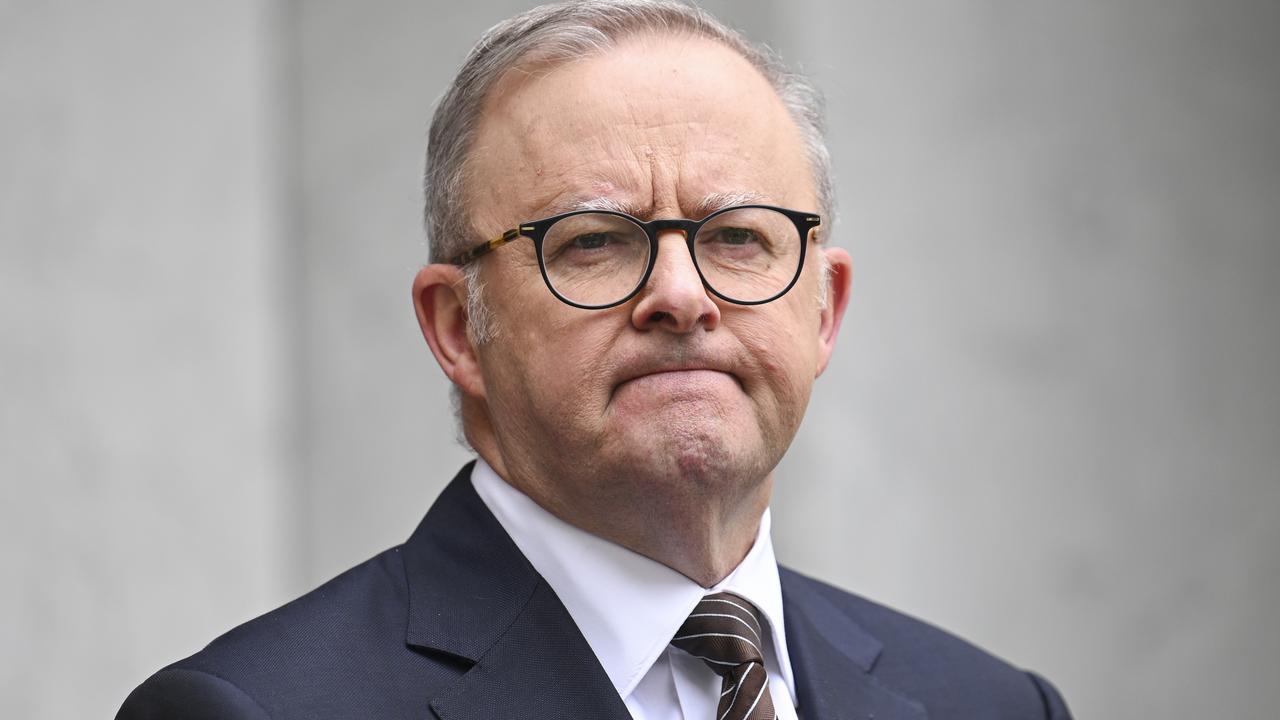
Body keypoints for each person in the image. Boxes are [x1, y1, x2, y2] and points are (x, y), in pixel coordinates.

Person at [118, 2, 1072, 718]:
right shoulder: (254, 712)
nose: (682, 296)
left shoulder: (990, 704)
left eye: (738, 236)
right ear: (458, 327)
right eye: (592, 242)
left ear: (824, 308)